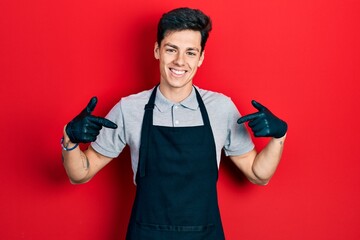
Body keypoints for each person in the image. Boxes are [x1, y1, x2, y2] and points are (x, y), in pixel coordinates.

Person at [61, 7, 287, 240]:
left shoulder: (221, 108)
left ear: (201, 57)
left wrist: (278, 137)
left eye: (190, 52)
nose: (180, 61)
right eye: (172, 49)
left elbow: (258, 174)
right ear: (157, 50)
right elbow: (81, 174)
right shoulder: (130, 109)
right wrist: (69, 139)